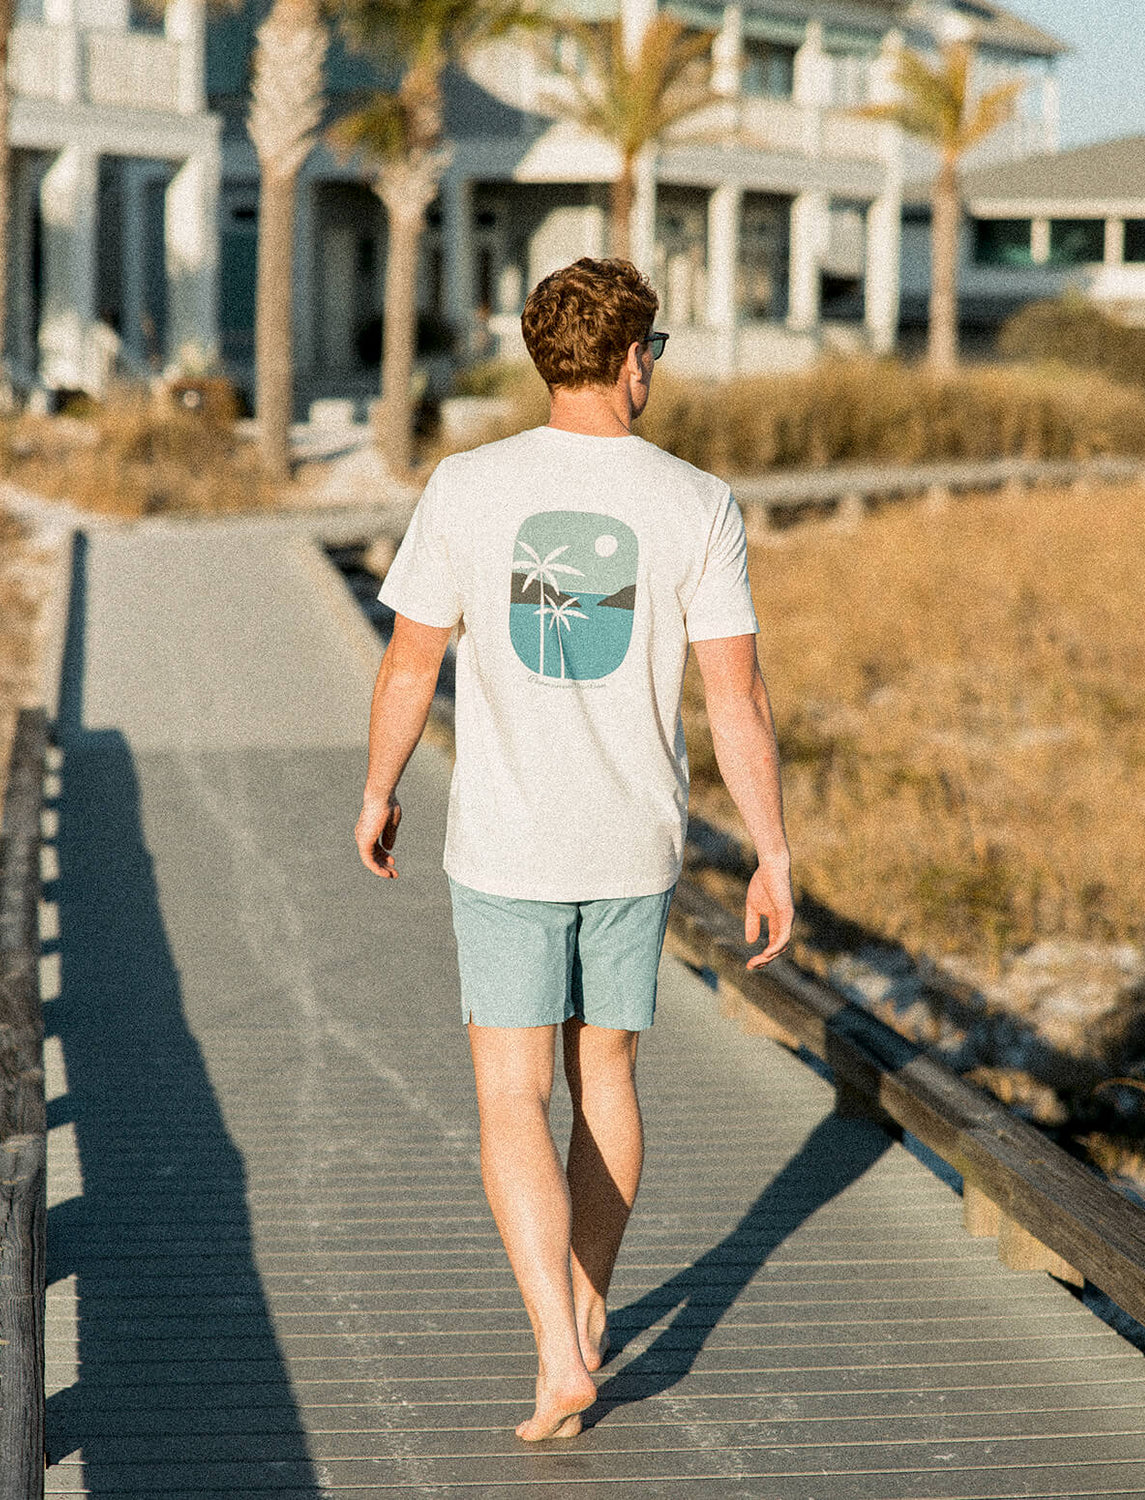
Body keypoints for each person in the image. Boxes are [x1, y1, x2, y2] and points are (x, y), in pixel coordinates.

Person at [355, 257, 794, 1442]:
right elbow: (738, 697)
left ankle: (558, 1344)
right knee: (606, 1081)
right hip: (633, 844)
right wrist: (771, 853)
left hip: (504, 844)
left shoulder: (466, 484)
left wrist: (379, 788)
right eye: (656, 351)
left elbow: (411, 659)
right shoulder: (697, 501)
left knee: (512, 1094)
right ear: (632, 357)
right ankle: (588, 1305)